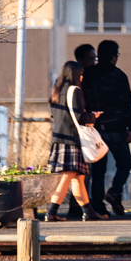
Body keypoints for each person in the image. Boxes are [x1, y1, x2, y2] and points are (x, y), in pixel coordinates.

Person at [82, 39, 131, 217]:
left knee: (98, 170)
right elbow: (127, 103)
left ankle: (98, 206)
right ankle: (114, 192)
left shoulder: (88, 74)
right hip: (117, 128)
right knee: (125, 164)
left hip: (96, 128)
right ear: (113, 57)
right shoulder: (119, 76)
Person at [46, 61, 104, 222]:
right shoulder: (75, 90)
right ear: (75, 74)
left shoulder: (56, 91)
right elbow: (80, 117)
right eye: (81, 73)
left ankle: (89, 212)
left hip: (59, 138)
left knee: (77, 178)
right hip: (72, 139)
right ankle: (51, 212)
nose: (82, 76)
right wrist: (93, 117)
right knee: (68, 176)